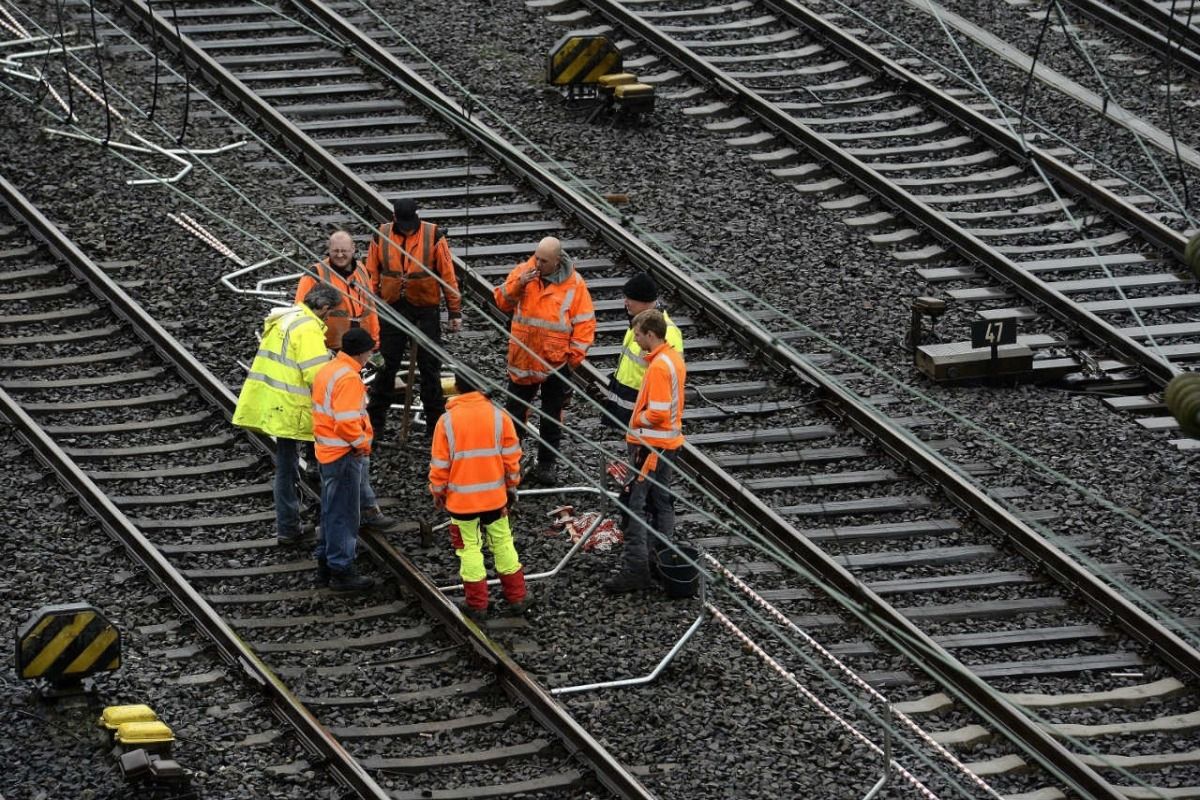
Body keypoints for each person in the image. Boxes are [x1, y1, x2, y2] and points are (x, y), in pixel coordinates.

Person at [232, 284, 338, 545]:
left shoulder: (287, 318)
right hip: (296, 408)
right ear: (324, 308)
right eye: (330, 312)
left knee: (286, 467)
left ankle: (287, 527)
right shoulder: (308, 329)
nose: (329, 317)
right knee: (322, 465)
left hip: (276, 404)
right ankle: (318, 526)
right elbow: (316, 375)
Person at [429, 371, 531, 622]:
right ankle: (517, 597)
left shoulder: (447, 421)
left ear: (456, 386)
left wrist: (438, 492)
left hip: (461, 503)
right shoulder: (499, 417)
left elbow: (440, 465)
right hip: (495, 500)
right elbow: (512, 459)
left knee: (469, 549)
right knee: (503, 543)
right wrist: (511, 487)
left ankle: (477, 605)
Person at [493, 236, 595, 485]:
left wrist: (572, 360)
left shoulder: (574, 285)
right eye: (536, 258)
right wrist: (519, 284)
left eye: (544, 261)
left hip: (556, 365)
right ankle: (511, 464)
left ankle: (546, 465)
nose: (538, 264)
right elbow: (501, 300)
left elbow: (585, 324)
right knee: (515, 414)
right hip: (523, 360)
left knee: (551, 417)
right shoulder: (523, 272)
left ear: (557, 261)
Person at [364, 198, 461, 440]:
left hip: (425, 309)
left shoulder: (434, 235)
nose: (407, 228)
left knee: (430, 369)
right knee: (385, 368)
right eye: (403, 223)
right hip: (392, 308)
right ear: (395, 218)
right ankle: (375, 425)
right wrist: (370, 310)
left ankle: (435, 428)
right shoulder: (380, 235)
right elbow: (370, 276)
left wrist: (454, 311)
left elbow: (448, 276)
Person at [605, 309, 686, 595]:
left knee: (633, 504)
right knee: (660, 501)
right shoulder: (672, 358)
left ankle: (636, 568)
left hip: (651, 447)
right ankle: (661, 559)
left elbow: (659, 413)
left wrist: (636, 420)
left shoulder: (660, 366)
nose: (636, 340)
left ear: (651, 334)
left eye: (638, 335)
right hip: (667, 445)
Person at [310, 327, 379, 593]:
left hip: (326, 452)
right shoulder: (349, 379)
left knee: (331, 509)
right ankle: (342, 570)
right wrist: (362, 445)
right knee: (344, 514)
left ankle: (325, 564)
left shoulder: (329, 369)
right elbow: (347, 423)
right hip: (343, 454)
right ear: (362, 353)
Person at [295, 230, 380, 352]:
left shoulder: (362, 269)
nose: (340, 255)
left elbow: (371, 308)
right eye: (335, 251)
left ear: (353, 249)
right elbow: (299, 314)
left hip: (360, 346)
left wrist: (374, 340)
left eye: (344, 251)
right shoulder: (315, 275)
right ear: (328, 250)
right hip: (330, 348)